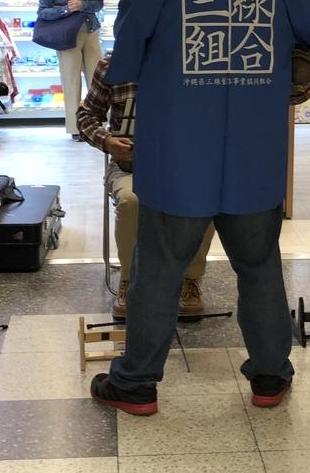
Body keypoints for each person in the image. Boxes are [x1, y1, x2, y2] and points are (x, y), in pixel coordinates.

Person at [89, 0, 310, 416]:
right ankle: (270, 377)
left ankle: (137, 383)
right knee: (259, 266)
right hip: (255, 160)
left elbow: (123, 65)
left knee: (158, 272)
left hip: (175, 159)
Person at [76, 57, 215, 319]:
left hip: (182, 167)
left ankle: (191, 278)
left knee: (204, 196)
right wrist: (108, 141)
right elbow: (86, 116)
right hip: (130, 167)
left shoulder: (190, 61)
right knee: (131, 201)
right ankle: (129, 279)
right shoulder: (111, 66)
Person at [36, 0, 103, 140]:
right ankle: (76, 128)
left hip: (90, 31)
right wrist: (65, 9)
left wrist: (83, 5)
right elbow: (42, 11)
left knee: (97, 80)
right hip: (67, 37)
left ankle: (96, 123)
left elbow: (98, 3)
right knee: (71, 82)